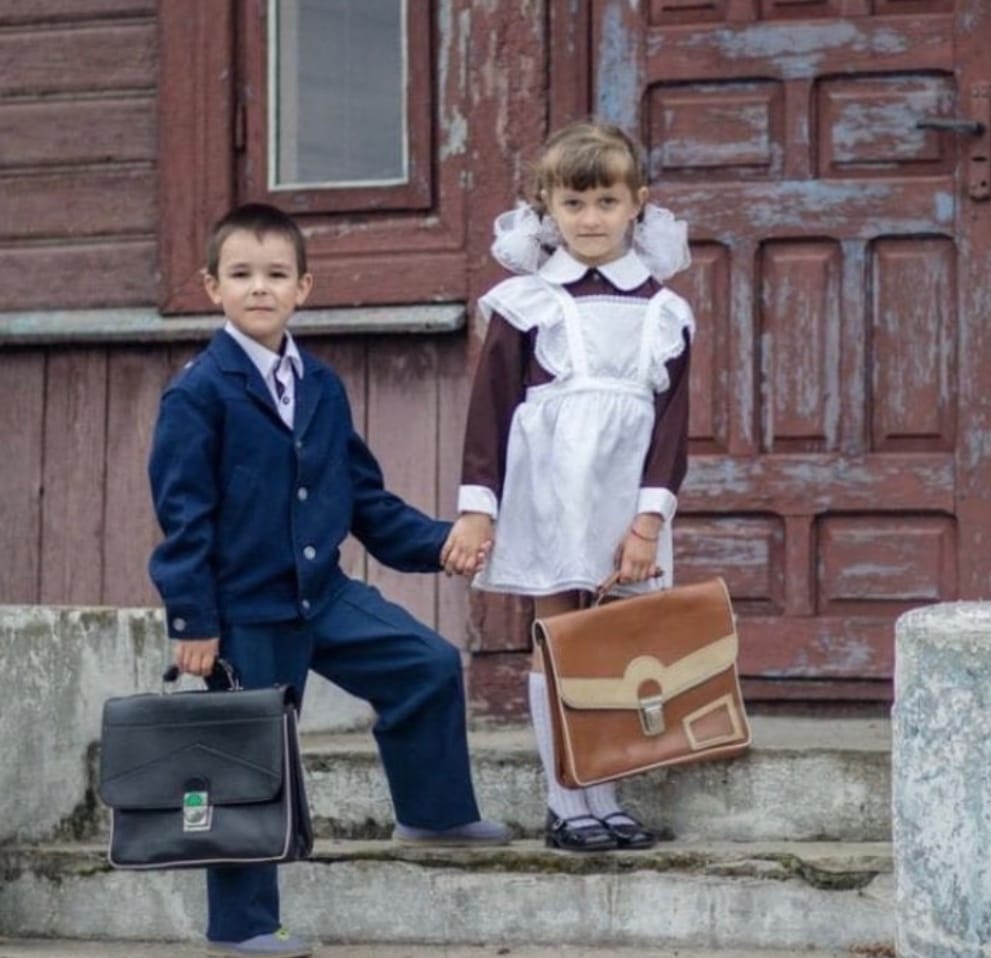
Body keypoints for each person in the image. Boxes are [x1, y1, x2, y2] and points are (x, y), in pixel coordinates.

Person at [148, 202, 508, 958]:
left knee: (428, 664)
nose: (259, 288)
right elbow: (185, 519)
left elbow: (364, 499)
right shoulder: (198, 394)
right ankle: (242, 924)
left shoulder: (321, 385)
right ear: (212, 287)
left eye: (276, 274)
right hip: (246, 615)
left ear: (303, 287)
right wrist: (193, 621)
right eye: (241, 274)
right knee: (251, 757)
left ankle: (434, 813)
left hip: (326, 596)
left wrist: (443, 544)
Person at [443, 120, 694, 852]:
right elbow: (487, 415)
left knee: (613, 641)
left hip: (625, 502)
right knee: (558, 639)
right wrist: (476, 513)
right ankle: (566, 801)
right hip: (552, 493)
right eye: (574, 203)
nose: (590, 219)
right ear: (546, 207)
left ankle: (606, 792)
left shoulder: (663, 311)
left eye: (607, 202)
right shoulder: (526, 302)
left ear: (637, 204)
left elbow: (672, 426)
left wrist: (648, 523)